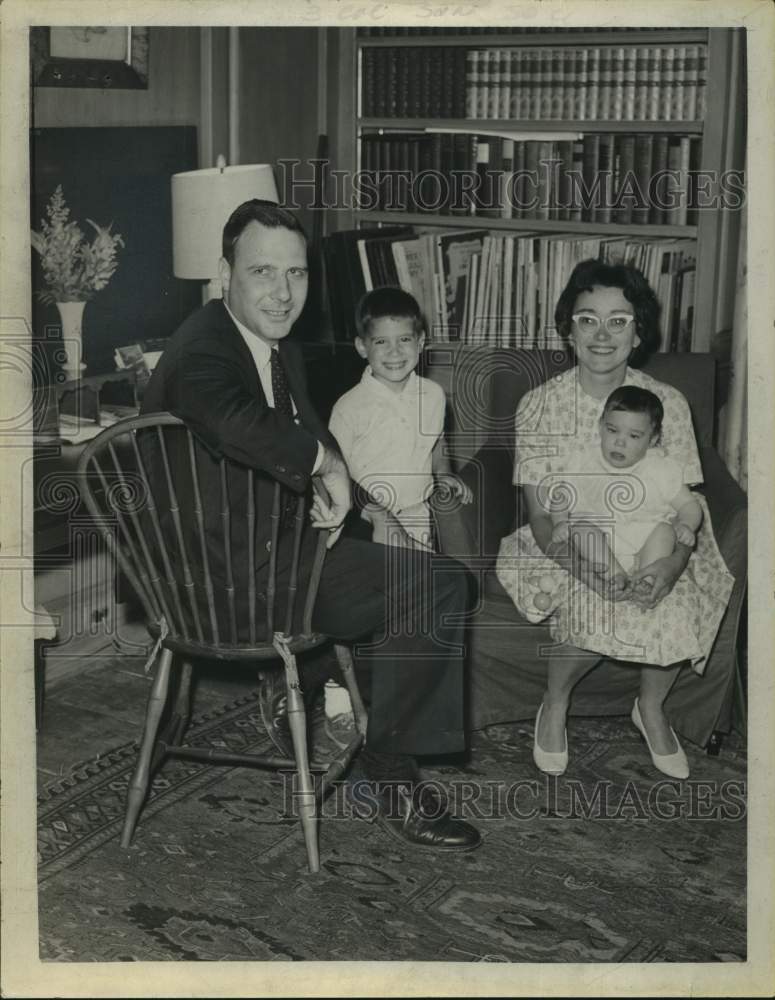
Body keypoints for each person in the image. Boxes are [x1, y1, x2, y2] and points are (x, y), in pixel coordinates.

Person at [141, 199, 479, 852]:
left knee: (437, 578)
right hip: (223, 583)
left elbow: (313, 435)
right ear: (224, 274)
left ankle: (342, 701)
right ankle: (390, 771)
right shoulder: (201, 348)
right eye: (262, 271)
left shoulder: (274, 347)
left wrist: (372, 509)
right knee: (430, 588)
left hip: (278, 548)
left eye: (295, 273)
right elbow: (238, 420)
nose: (283, 291)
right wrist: (325, 464)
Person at [495, 259, 734, 781]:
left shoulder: (668, 403)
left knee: (672, 599)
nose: (602, 335)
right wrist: (584, 569)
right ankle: (555, 703)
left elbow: (683, 501)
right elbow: (541, 516)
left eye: (618, 321)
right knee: (590, 599)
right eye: (588, 319)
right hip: (566, 537)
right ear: (569, 330)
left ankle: (650, 707)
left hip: (653, 535)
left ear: (638, 332)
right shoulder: (539, 405)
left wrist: (672, 565)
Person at [329, 286, 472, 552]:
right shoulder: (348, 408)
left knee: (422, 576)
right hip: (366, 522)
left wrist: (444, 473)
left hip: (418, 515)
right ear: (362, 347)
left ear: (421, 342)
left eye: (404, 340)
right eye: (381, 342)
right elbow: (334, 472)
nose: (394, 352)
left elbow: (436, 443)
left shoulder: (433, 395)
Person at [539, 385, 704, 601]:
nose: (620, 441)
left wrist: (686, 524)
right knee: (581, 529)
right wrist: (560, 522)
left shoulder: (661, 468)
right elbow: (561, 496)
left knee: (665, 531)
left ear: (652, 439)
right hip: (601, 546)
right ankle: (614, 577)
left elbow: (689, 505)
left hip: (646, 542)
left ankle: (645, 579)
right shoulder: (583, 462)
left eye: (634, 436)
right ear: (600, 426)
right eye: (612, 430)